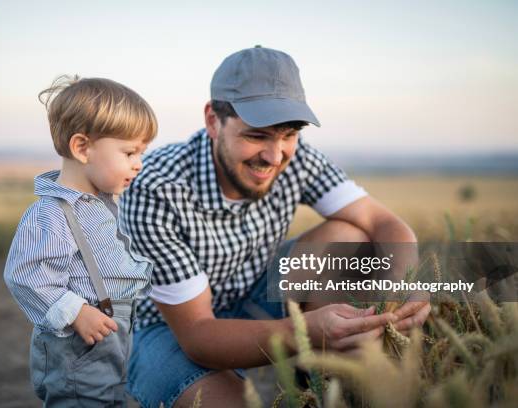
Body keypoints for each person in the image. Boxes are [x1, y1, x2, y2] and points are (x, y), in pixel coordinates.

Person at [121, 46, 431, 408]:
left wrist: (403, 286)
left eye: (289, 133)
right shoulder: (155, 187)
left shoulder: (296, 156)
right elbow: (198, 335)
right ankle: (314, 357)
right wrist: (306, 333)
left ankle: (326, 384)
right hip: (168, 328)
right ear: (212, 120)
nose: (274, 155)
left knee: (350, 238)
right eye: (256, 135)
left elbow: (382, 222)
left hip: (254, 296)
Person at [4, 75, 157, 406]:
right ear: (82, 148)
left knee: (110, 398)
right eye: (130, 152)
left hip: (113, 337)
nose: (139, 163)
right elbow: (26, 276)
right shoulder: (51, 213)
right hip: (79, 346)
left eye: (141, 152)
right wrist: (75, 312)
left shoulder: (103, 204)